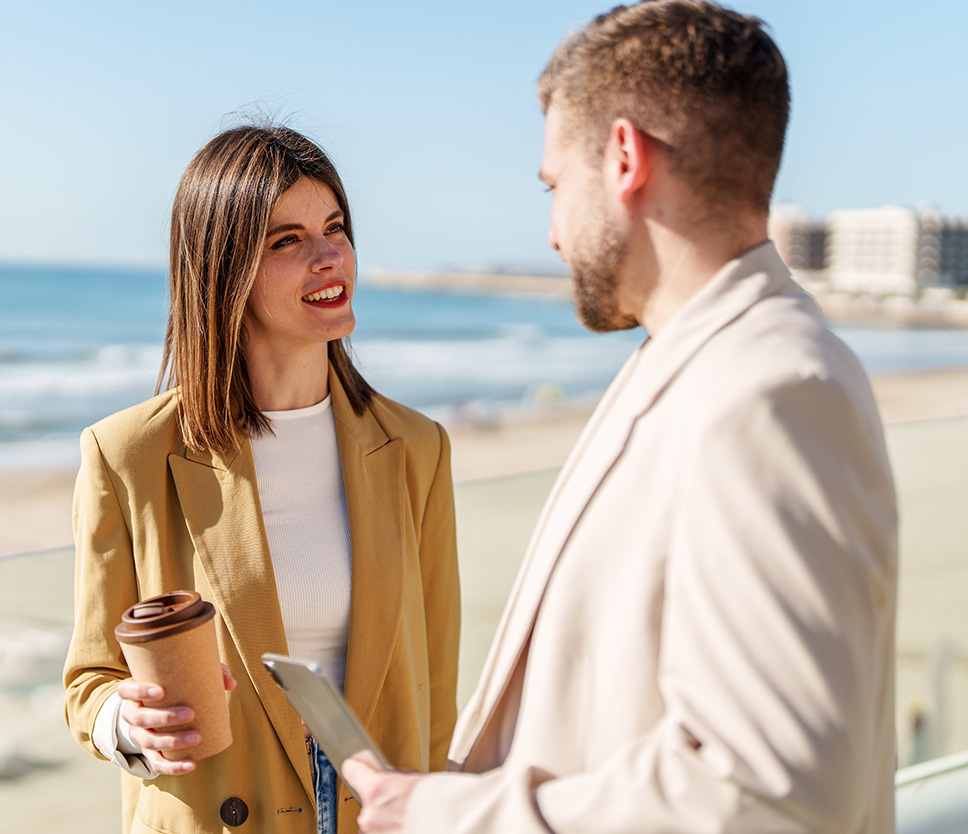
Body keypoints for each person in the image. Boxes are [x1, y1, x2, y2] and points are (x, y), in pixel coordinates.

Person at [343, 2, 898, 832]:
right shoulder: (695, 361)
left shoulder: (772, 390)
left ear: (625, 158)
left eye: (555, 186)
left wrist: (455, 816)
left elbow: (772, 792)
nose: (556, 233)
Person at [63, 125, 461, 834]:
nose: (329, 255)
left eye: (334, 227)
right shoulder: (129, 455)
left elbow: (435, 691)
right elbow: (89, 683)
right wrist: (130, 722)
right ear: (224, 270)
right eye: (287, 240)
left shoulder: (416, 449)